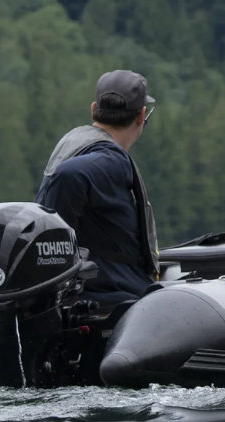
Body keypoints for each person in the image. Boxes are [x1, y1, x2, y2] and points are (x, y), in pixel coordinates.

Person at [34, 69, 160, 308]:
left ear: (94, 110)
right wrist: (54, 244)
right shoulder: (111, 159)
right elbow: (70, 175)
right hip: (114, 299)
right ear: (141, 116)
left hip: (82, 296)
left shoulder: (74, 144)